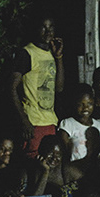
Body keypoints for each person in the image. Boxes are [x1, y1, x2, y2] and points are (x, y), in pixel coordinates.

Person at [10, 15, 64, 158]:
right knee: (34, 163)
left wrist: (58, 58)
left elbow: (59, 88)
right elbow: (12, 88)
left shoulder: (51, 54)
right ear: (35, 29)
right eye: (43, 27)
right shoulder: (27, 53)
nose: (48, 31)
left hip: (50, 122)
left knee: (49, 164)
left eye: (51, 27)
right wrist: (24, 120)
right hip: (33, 123)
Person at [58, 84, 100, 163]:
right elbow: (64, 151)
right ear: (74, 103)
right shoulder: (68, 124)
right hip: (72, 170)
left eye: (89, 104)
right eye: (81, 104)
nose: (86, 108)